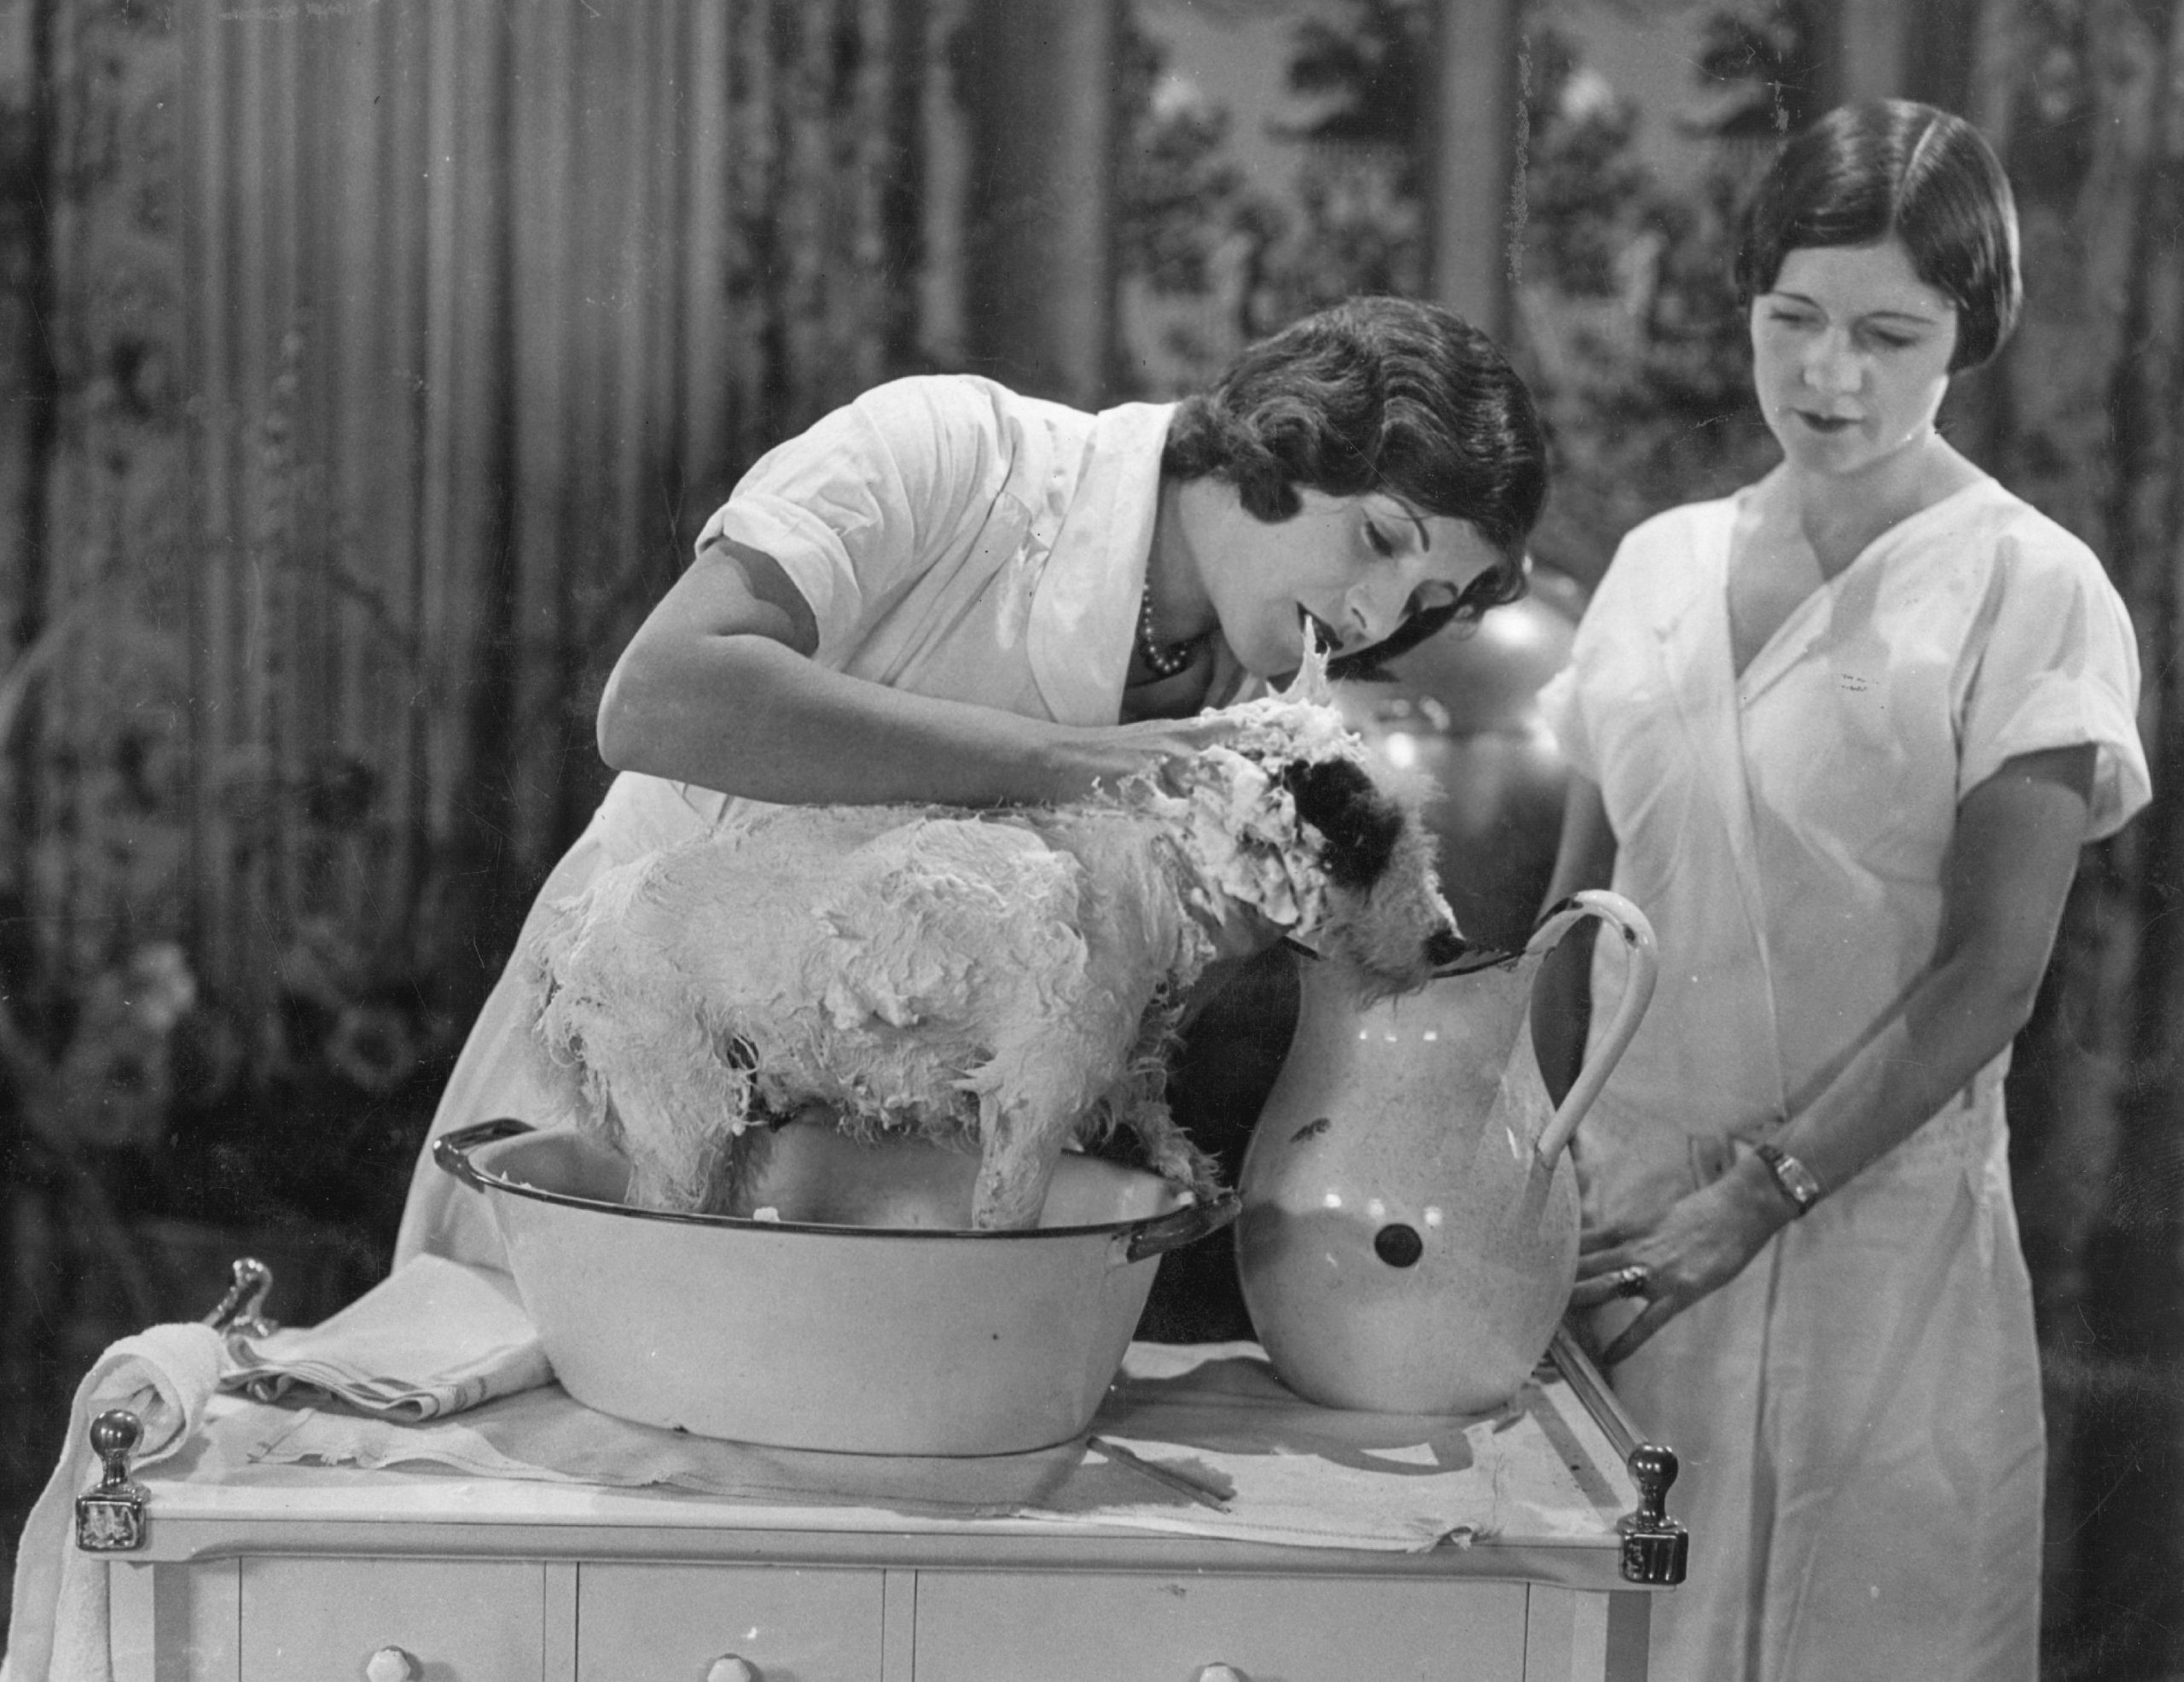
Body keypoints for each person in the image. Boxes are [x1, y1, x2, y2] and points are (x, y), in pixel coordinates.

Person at [392, 294, 1550, 1272]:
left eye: (1426, 605)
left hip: (894, 1226)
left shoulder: (1251, 746)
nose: (1374, 618)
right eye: (1382, 541)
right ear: (1286, 441)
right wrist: (1070, 764)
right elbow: (658, 699)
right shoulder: (953, 455)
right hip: (636, 1076)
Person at [1536, 99, 2150, 1680]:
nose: (1830, 375)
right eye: (1793, 317)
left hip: (1876, 1253)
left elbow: (1993, 974)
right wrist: (1521, 1193)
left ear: (1971, 332)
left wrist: (1751, 1204)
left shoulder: (2027, 586)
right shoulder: (1658, 566)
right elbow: (1575, 916)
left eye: (1891, 334)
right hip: (1626, 1247)